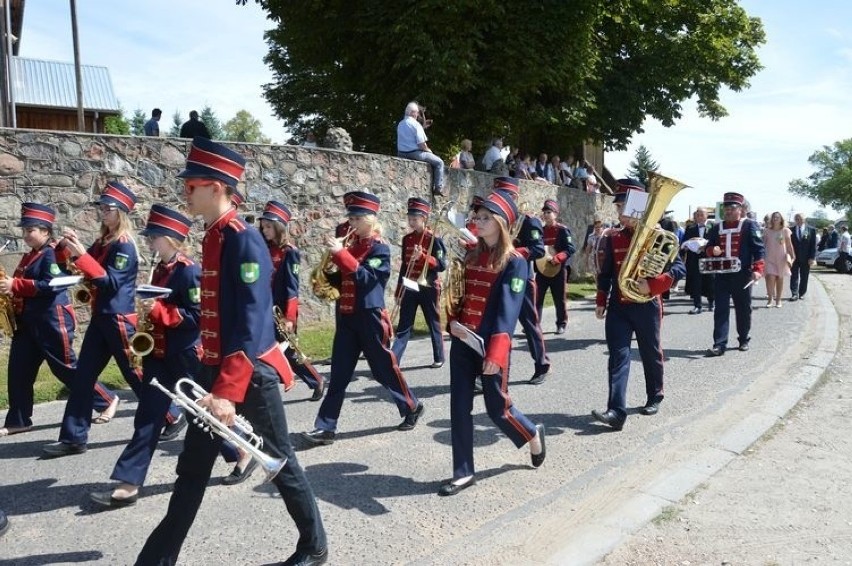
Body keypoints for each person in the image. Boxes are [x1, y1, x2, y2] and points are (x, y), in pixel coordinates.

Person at [136, 136, 327, 566]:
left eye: (192, 185)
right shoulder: (214, 236)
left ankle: (314, 546)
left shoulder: (243, 240)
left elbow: (252, 320)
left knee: (278, 459)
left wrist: (226, 390)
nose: (185, 191)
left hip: (246, 375)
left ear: (217, 187)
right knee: (190, 474)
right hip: (212, 371)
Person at [89, 205, 200, 509]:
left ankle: (239, 452)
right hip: (158, 354)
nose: (150, 241)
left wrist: (160, 312)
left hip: (184, 354)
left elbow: (198, 316)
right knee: (147, 418)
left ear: (172, 238)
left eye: (154, 236)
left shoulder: (189, 270)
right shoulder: (160, 269)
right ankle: (129, 484)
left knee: (199, 414)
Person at [439, 190, 545, 496]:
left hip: (490, 347)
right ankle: (462, 472)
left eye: (486, 218)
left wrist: (496, 353)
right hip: (463, 341)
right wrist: (453, 322)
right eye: (477, 217)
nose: (478, 221)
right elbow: (457, 295)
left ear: (501, 223)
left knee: (497, 409)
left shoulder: (515, 262)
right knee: (458, 407)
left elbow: (508, 312)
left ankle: (532, 433)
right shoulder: (471, 254)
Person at [301, 191, 424, 446]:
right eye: (351, 218)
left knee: (383, 370)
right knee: (339, 374)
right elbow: (345, 278)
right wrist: (327, 274)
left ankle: (411, 405)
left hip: (370, 317)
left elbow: (367, 279)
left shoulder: (380, 248)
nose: (351, 223)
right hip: (347, 317)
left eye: (356, 218)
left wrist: (341, 256)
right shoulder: (352, 246)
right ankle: (325, 427)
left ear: (370, 219)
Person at [42, 182, 143, 457]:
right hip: (102, 317)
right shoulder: (102, 241)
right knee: (83, 377)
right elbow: (79, 266)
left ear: (121, 212)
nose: (103, 213)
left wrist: (82, 254)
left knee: (135, 373)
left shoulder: (124, 246)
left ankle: (170, 414)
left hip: (119, 318)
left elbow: (109, 282)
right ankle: (74, 437)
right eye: (101, 207)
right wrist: (66, 248)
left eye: (108, 209)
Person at [0, 204, 113, 437]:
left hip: (51, 320)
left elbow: (51, 285)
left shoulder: (52, 253)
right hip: (29, 321)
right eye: (24, 230)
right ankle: (19, 419)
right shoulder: (30, 255)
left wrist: (15, 285)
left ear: (45, 231)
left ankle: (106, 399)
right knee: (18, 371)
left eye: (30, 229)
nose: (25, 234)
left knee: (65, 368)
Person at [591, 179, 685, 431]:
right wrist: (601, 300)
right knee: (618, 357)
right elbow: (607, 272)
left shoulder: (659, 235)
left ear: (638, 208)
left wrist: (654, 285)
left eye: (624, 207)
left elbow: (678, 268)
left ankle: (655, 395)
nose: (620, 213)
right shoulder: (613, 237)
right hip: (619, 306)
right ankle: (616, 411)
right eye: (618, 207)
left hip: (646, 305)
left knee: (650, 352)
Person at [258, 200, 326, 401]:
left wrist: (289, 317)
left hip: (280, 311)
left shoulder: (289, 251)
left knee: (287, 350)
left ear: (279, 227)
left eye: (269, 227)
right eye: (263, 227)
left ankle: (316, 379)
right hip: (262, 308)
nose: (264, 230)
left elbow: (291, 287)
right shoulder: (263, 248)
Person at [492, 177, 550, 385]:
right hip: (498, 277)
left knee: (529, 323)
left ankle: (542, 364)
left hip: (521, 279)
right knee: (497, 323)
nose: (500, 200)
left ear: (514, 197)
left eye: (505, 196)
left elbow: (538, 249)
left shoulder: (528, 220)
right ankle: (497, 369)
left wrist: (514, 252)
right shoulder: (496, 220)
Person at [704, 192, 765, 356]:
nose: (729, 211)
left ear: (740, 209)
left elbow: (759, 249)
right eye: (726, 208)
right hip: (722, 275)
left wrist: (758, 270)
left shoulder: (749, 225)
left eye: (732, 208)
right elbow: (708, 248)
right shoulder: (717, 227)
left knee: (743, 308)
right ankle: (719, 344)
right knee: (721, 309)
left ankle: (744, 338)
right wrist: (712, 250)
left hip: (742, 274)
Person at [391, 198, 447, 368]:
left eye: (415, 219)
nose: (411, 222)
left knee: (433, 322)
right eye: (410, 218)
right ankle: (393, 361)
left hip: (428, 286)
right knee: (404, 325)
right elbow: (404, 265)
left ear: (424, 218)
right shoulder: (407, 239)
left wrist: (423, 257)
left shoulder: (433, 238)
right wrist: (399, 288)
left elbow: (441, 265)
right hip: (410, 284)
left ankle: (439, 356)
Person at [534, 199, 575, 335]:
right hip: (542, 270)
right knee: (537, 297)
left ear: (555, 214)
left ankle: (561, 323)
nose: (546, 215)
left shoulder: (563, 230)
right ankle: (535, 324)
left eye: (549, 212)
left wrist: (557, 258)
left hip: (558, 270)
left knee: (559, 298)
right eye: (544, 212)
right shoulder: (541, 230)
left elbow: (570, 249)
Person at [396, 102, 444, 196]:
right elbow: (421, 144)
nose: (418, 115)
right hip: (415, 153)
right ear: (413, 113)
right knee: (439, 162)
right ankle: (438, 187)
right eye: (417, 112)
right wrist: (429, 150)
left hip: (401, 153)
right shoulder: (415, 124)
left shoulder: (400, 124)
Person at [682, 207, 715, 314]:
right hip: (694, 259)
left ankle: (711, 302)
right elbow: (684, 242)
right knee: (696, 282)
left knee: (710, 281)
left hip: (709, 258)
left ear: (706, 216)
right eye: (698, 215)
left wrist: (706, 246)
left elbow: (716, 241)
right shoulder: (690, 228)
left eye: (702, 215)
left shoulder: (713, 227)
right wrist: (686, 246)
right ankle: (697, 305)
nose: (700, 217)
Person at [763, 211, 794, 308]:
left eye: (778, 217)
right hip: (769, 257)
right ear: (771, 219)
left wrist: (792, 256)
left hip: (781, 257)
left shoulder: (785, 230)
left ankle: (778, 300)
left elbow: (789, 245)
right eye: (774, 217)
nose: (776, 219)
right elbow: (763, 244)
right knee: (770, 278)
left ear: (781, 219)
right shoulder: (767, 231)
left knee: (780, 279)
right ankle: (770, 299)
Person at [789, 213, 816, 300]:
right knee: (794, 276)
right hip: (794, 257)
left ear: (804, 219)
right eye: (796, 219)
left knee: (804, 276)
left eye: (800, 218)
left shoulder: (811, 230)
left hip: (806, 258)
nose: (798, 220)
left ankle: (802, 293)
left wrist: (812, 257)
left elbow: (813, 245)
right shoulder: (791, 230)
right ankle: (794, 293)